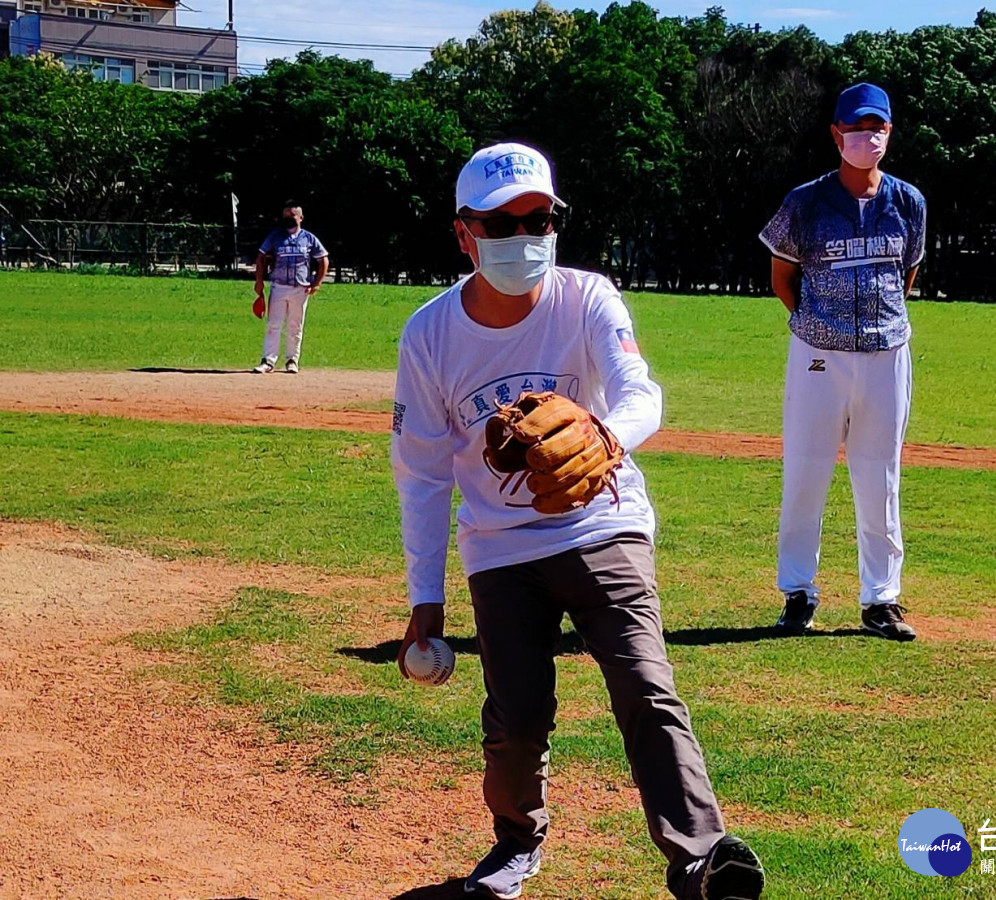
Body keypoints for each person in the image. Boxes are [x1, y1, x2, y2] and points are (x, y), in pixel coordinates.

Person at [391, 143, 765, 900]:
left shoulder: (589, 297)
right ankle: (515, 845)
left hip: (603, 525)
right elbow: (424, 474)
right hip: (498, 546)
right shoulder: (429, 335)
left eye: (538, 217)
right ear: (463, 233)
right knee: (518, 717)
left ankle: (700, 858)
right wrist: (425, 600)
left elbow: (640, 389)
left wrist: (607, 436)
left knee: (644, 683)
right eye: (501, 223)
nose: (523, 235)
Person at [758, 83, 926, 642]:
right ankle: (798, 593)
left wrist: (875, 321)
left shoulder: (908, 202)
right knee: (805, 473)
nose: (867, 137)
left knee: (880, 478)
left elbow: (906, 275)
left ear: (889, 132)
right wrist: (819, 326)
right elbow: (782, 277)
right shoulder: (804, 202)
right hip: (818, 355)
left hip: (886, 353)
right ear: (836, 134)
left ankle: (881, 601)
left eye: (876, 127)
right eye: (855, 128)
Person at [251, 201, 329, 374]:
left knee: (295, 325)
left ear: (300, 218)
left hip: (300, 288)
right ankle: (268, 361)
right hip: (278, 286)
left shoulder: (309, 238)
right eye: (285, 215)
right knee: (273, 324)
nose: (288, 218)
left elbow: (323, 259)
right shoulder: (275, 236)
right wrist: (259, 282)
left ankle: (292, 360)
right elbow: (260, 258)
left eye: (292, 215)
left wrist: (317, 283)